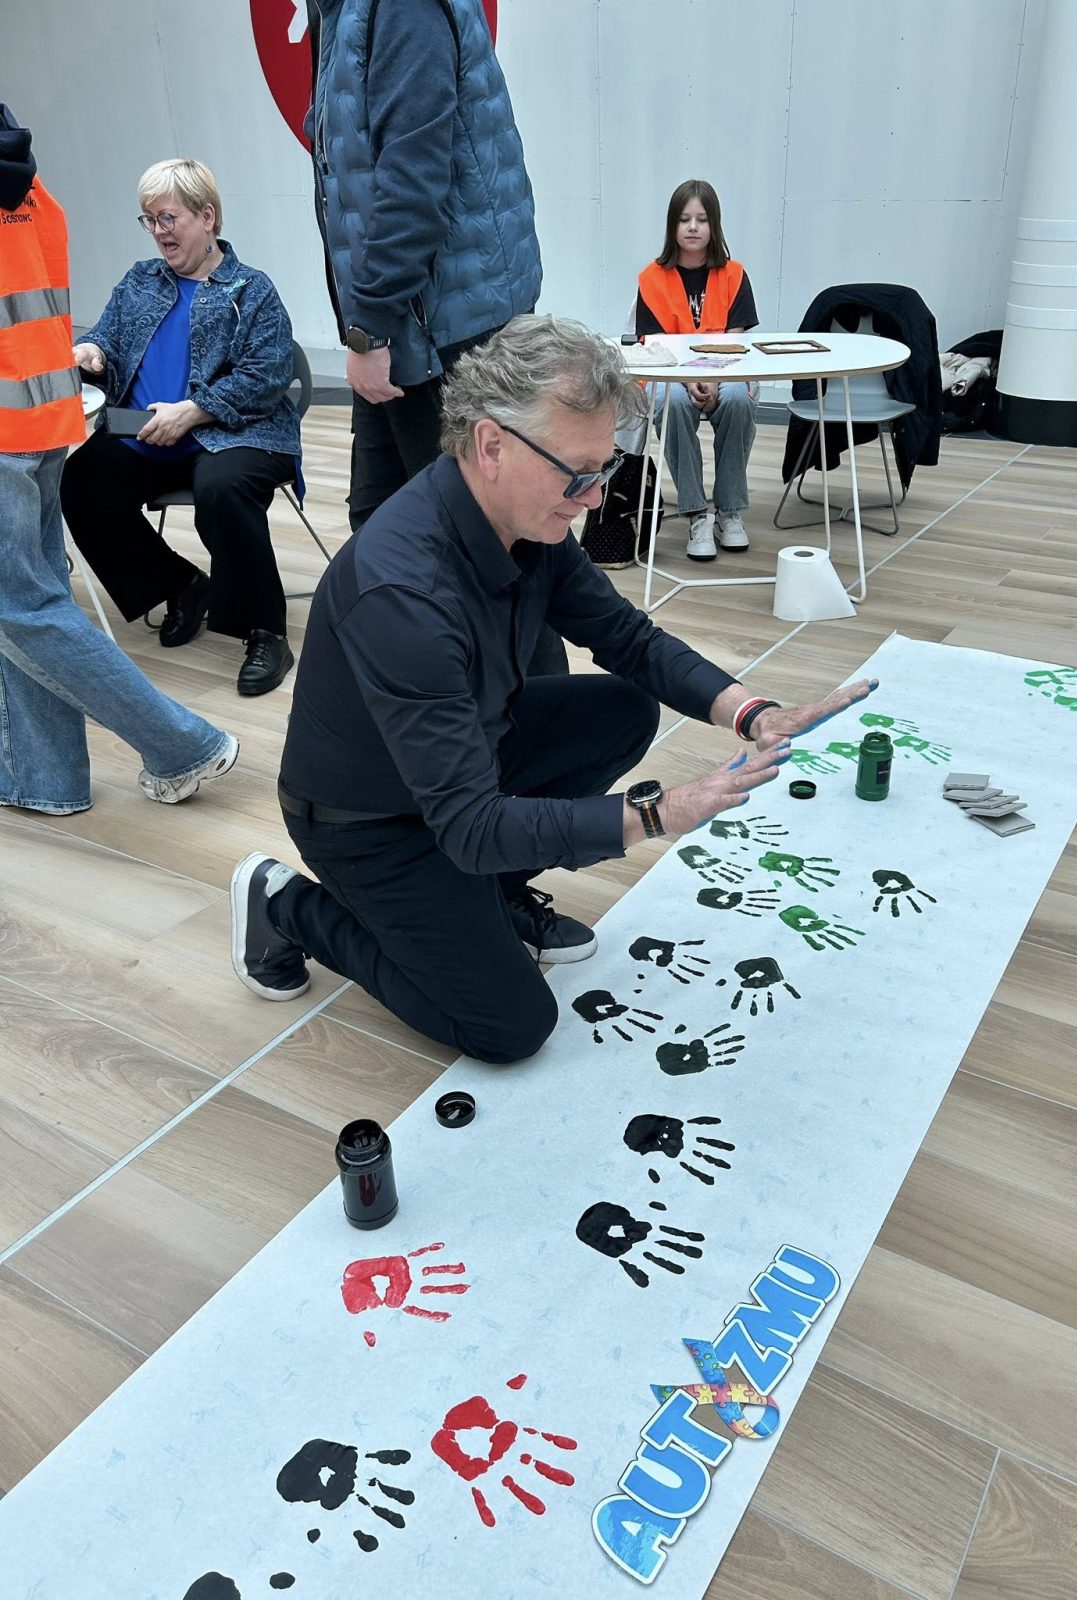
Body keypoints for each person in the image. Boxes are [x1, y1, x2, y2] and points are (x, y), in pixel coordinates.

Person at [230, 316, 874, 1064]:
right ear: (491, 445)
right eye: (579, 474)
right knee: (510, 1027)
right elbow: (470, 826)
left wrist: (752, 712)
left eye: (605, 468)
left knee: (621, 709)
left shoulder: (525, 519)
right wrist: (657, 813)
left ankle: (485, 896)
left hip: (467, 758)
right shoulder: (404, 593)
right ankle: (288, 905)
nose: (595, 499)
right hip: (371, 823)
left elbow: (626, 638)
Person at [306, 0, 565, 675]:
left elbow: (413, 174)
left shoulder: (399, 6)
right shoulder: (343, 11)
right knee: (386, 532)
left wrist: (369, 327)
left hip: (440, 328)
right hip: (414, 320)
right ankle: (430, 706)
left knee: (484, 550)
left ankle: (539, 720)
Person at [0, 108, 238, 814]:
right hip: (41, 420)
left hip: (13, 430)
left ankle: (181, 743)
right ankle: (44, 779)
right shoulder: (31, 191)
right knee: (32, 606)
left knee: (25, 611)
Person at [60, 159, 302, 696]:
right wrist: (92, 352)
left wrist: (193, 411)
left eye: (167, 218)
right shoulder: (140, 280)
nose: (158, 231)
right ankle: (183, 585)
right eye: (149, 220)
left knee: (222, 488)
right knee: (79, 482)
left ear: (207, 217)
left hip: (234, 435)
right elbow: (108, 339)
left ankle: (266, 631)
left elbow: (266, 377)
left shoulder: (251, 289)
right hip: (144, 434)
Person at [636, 179, 760, 563]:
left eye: (702, 219)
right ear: (672, 225)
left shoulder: (735, 274)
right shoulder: (651, 278)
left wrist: (714, 379)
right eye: (684, 219)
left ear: (714, 225)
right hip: (672, 374)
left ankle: (729, 511)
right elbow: (655, 344)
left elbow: (736, 340)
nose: (693, 227)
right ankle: (696, 513)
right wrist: (689, 380)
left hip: (726, 371)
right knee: (670, 401)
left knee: (738, 398)